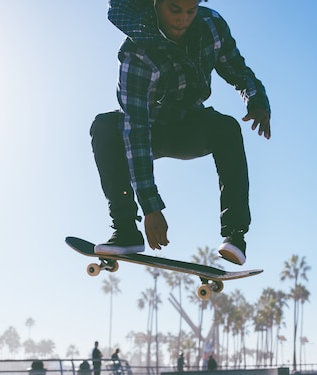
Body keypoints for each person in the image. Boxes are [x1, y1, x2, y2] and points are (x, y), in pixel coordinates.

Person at [91, 0, 272, 266]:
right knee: (104, 127)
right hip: (148, 129)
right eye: (174, 10)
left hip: (189, 125)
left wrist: (256, 99)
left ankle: (235, 235)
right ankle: (125, 228)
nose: (183, 20)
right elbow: (137, 132)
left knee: (227, 129)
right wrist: (151, 206)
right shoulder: (136, 54)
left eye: (190, 11)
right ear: (156, 4)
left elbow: (238, 70)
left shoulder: (211, 26)